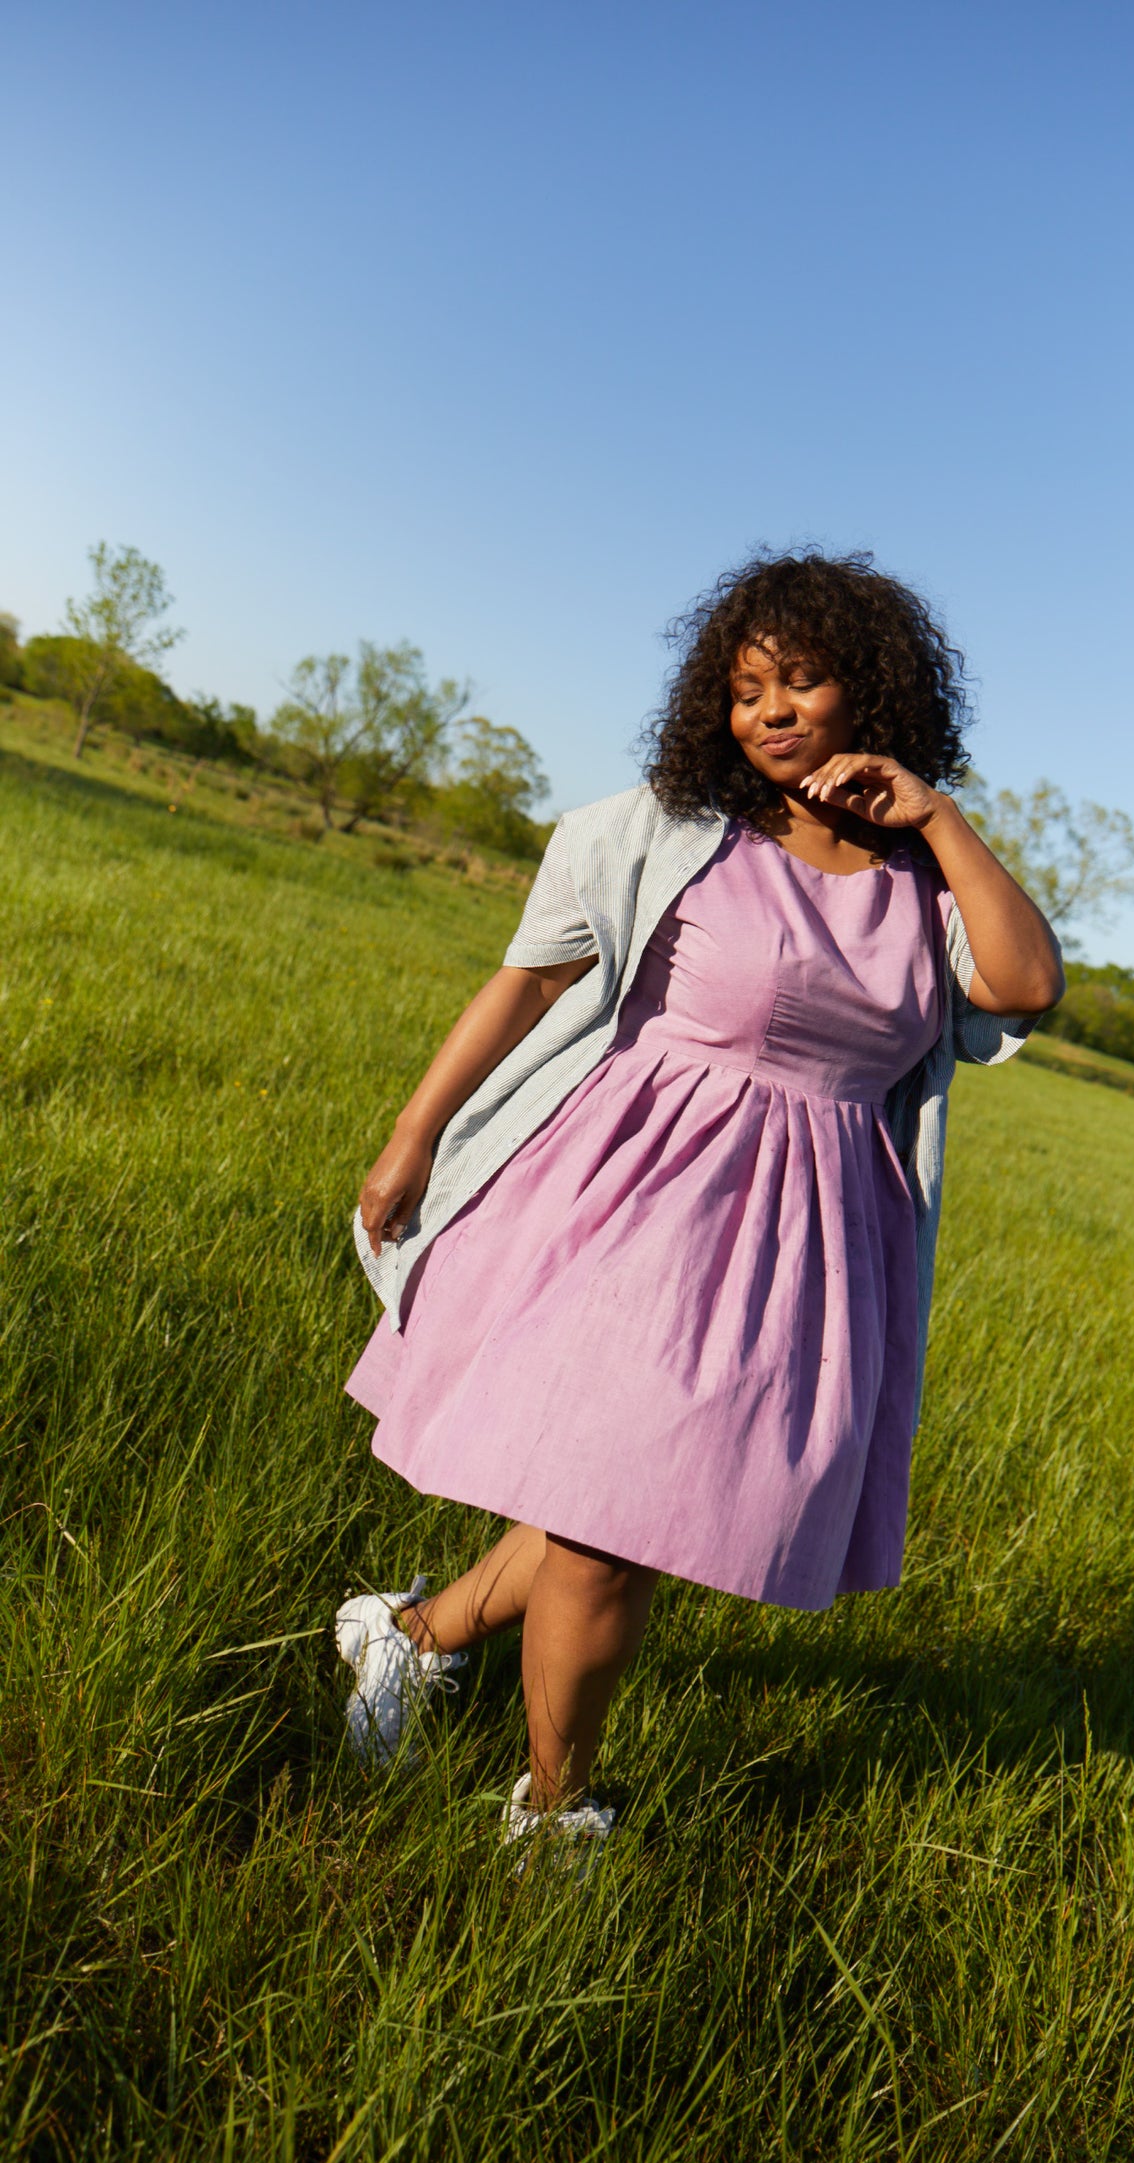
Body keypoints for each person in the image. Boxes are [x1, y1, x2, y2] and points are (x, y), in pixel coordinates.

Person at [334, 551, 1063, 1867]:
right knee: (612, 1527)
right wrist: (411, 1136)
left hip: (816, 1236)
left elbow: (1023, 987)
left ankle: (409, 1635)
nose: (769, 711)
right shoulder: (670, 832)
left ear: (873, 691)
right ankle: (552, 1815)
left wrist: (941, 819)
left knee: (634, 1508)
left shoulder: (923, 883)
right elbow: (527, 981)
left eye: (802, 681)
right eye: (744, 689)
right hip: (637, 1199)